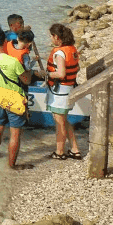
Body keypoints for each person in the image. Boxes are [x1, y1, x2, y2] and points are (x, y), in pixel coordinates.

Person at [0, 29, 34, 170]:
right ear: (5, 42)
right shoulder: (13, 62)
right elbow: (26, 81)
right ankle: (12, 165)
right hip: (15, 100)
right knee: (15, 133)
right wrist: (29, 70)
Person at [44, 23, 82, 160]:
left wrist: (48, 74)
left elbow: (60, 73)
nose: (50, 39)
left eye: (51, 36)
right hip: (68, 88)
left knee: (59, 122)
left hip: (59, 91)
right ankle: (75, 149)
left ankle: (59, 152)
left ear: (57, 37)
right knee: (64, 120)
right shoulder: (71, 49)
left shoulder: (59, 53)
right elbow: (74, 69)